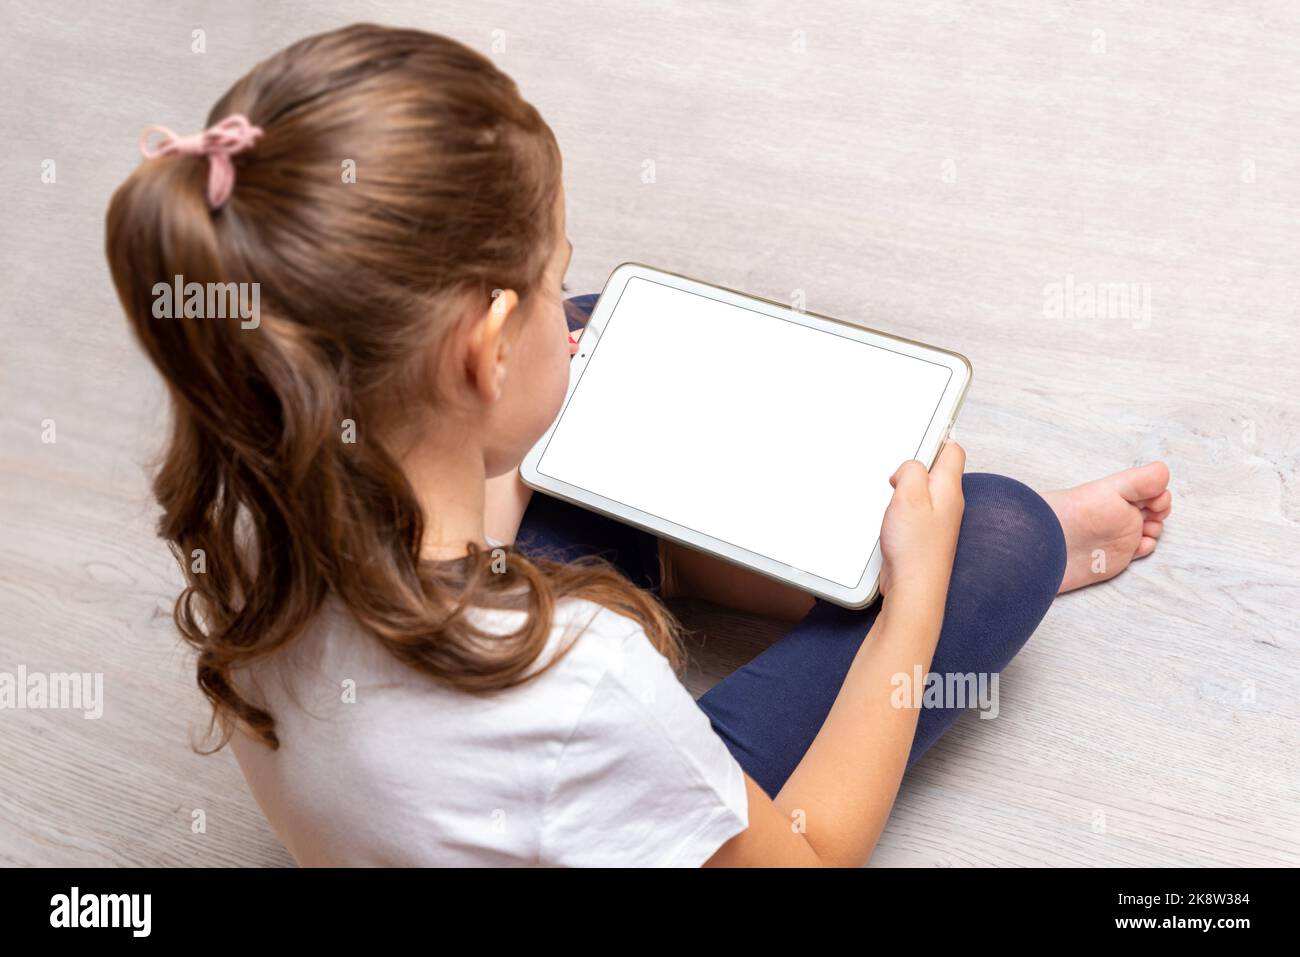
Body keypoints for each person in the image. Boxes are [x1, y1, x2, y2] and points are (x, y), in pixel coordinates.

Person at [105, 24, 1172, 866]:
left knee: (589, 338)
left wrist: (526, 388)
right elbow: (805, 858)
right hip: (557, 762)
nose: (553, 298)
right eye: (530, 290)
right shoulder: (589, 684)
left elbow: (454, 494)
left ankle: (809, 554)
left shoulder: (243, 500)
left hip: (446, 764)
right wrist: (919, 605)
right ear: (478, 356)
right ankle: (889, 569)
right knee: (1001, 533)